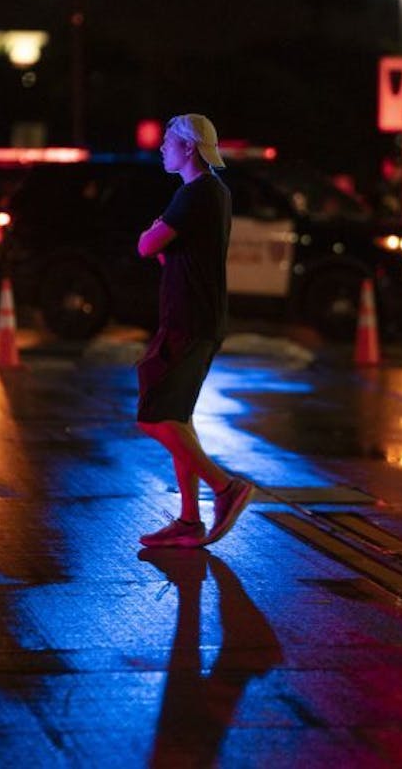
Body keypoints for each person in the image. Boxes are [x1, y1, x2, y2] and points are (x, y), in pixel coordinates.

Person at [136, 114, 254, 548]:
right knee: (178, 418)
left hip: (188, 322)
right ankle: (189, 519)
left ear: (188, 147)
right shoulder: (214, 193)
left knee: (154, 416)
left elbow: (148, 245)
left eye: (169, 141)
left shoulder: (195, 193)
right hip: (197, 318)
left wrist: (151, 232)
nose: (163, 148)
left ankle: (226, 489)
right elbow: (176, 253)